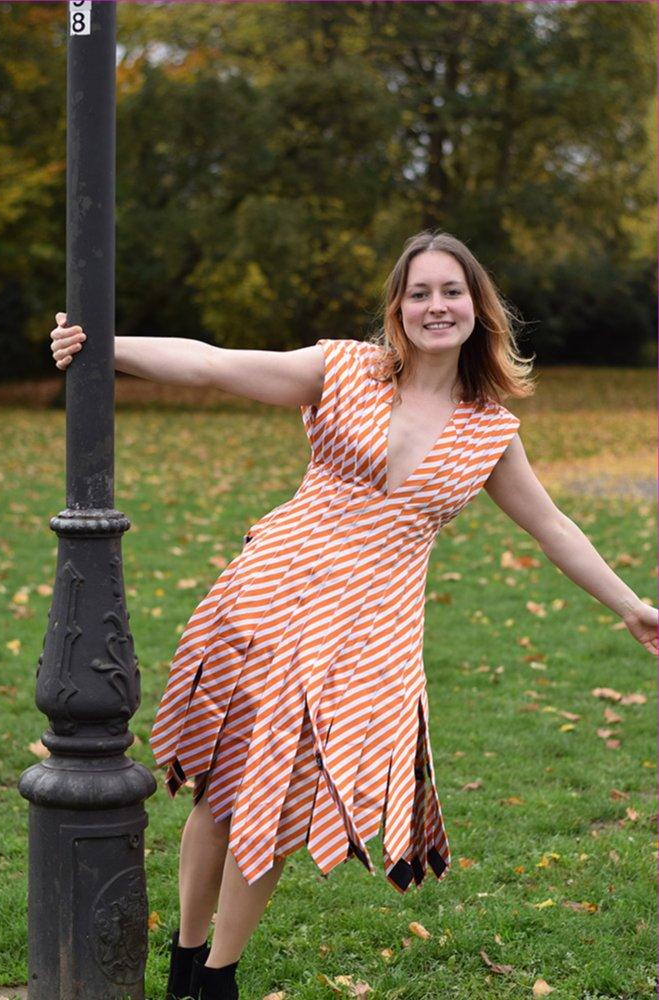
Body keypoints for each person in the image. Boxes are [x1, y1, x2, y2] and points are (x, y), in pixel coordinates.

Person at [50, 231, 657, 1000]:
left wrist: (631, 605)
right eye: (419, 292)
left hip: (368, 640)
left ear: (478, 306)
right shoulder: (343, 370)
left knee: (276, 802)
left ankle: (216, 976)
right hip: (271, 601)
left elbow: (552, 528)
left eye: (451, 291)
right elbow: (214, 363)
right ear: (397, 308)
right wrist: (102, 344)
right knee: (225, 793)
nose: (436, 306)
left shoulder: (488, 431)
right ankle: (186, 958)